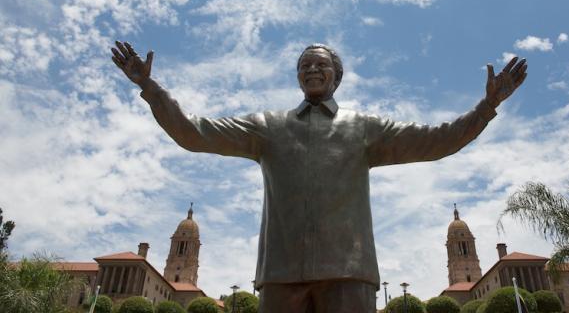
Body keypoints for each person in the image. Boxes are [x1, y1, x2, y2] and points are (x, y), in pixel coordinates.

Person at [111, 41, 527, 313]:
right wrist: (150, 88)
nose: (312, 69)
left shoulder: (364, 128)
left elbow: (439, 140)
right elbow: (193, 133)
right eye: (304, 64)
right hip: (280, 274)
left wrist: (486, 106)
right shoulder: (267, 126)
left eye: (321, 64)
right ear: (298, 76)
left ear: (336, 76)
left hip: (348, 274)